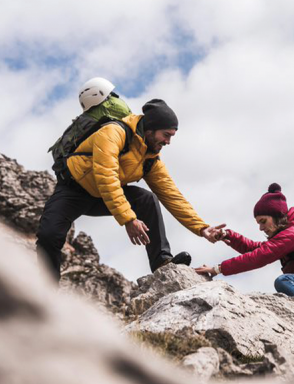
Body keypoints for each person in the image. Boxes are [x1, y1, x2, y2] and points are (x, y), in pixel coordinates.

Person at [36, 78, 224, 281]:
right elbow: (106, 176)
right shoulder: (113, 133)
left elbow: (172, 195)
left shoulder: (150, 159)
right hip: (74, 190)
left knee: (147, 199)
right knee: (49, 235)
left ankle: (162, 261)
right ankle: (47, 291)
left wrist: (202, 228)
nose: (168, 142)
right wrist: (128, 219)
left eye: (172, 137)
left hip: (104, 196)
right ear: (151, 128)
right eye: (166, 135)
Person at [194, 183, 294, 340]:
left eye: (263, 221)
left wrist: (218, 269)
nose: (260, 228)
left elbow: (259, 256)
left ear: (276, 215)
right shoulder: (289, 234)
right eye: (258, 223)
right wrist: (228, 234)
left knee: (284, 281)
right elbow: (256, 249)